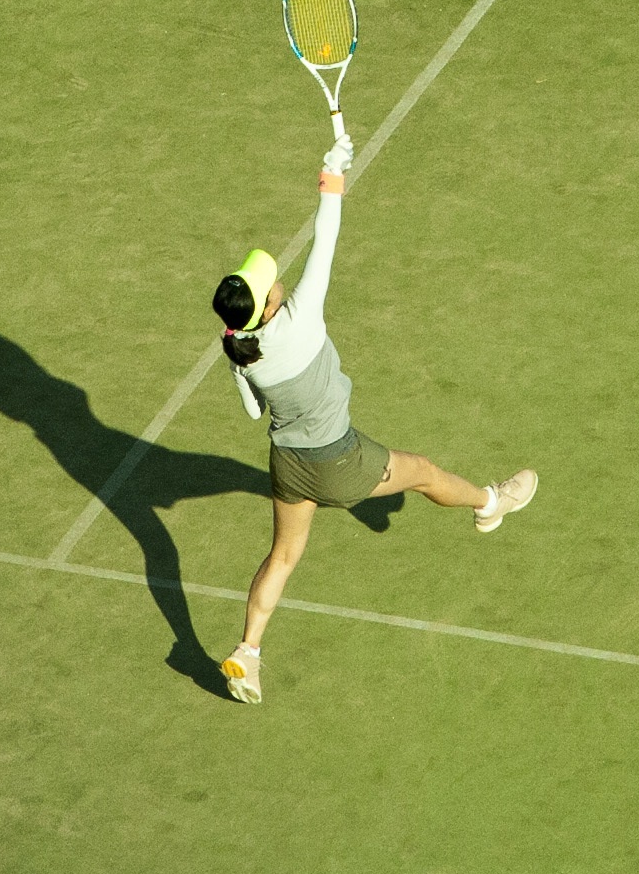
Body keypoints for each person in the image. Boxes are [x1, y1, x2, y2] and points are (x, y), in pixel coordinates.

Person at [211, 140, 537, 704]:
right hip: (340, 461)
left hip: (287, 465)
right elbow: (326, 238)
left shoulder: (241, 349)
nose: (277, 278)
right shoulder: (301, 318)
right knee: (426, 471)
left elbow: (251, 410)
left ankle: (248, 653)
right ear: (267, 305)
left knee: (283, 556)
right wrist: (332, 172)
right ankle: (490, 504)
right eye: (269, 282)